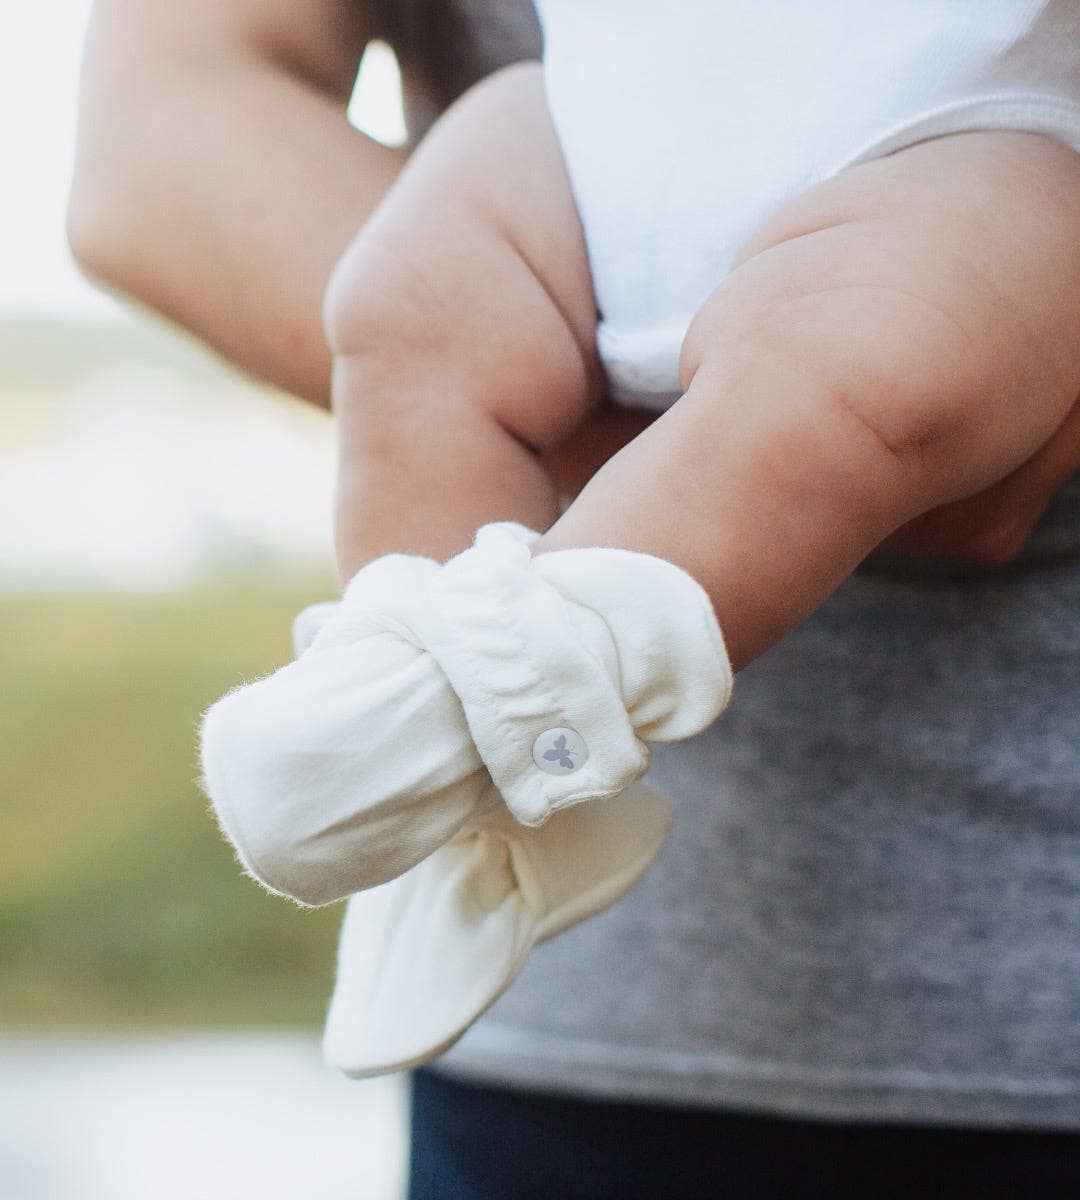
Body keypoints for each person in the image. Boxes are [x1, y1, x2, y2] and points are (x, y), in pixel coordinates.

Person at [70, 1, 1080, 1195]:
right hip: (588, 118)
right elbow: (155, 130)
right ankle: (451, 787)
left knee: (846, 388)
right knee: (408, 312)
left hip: (951, 132)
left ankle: (497, 693)